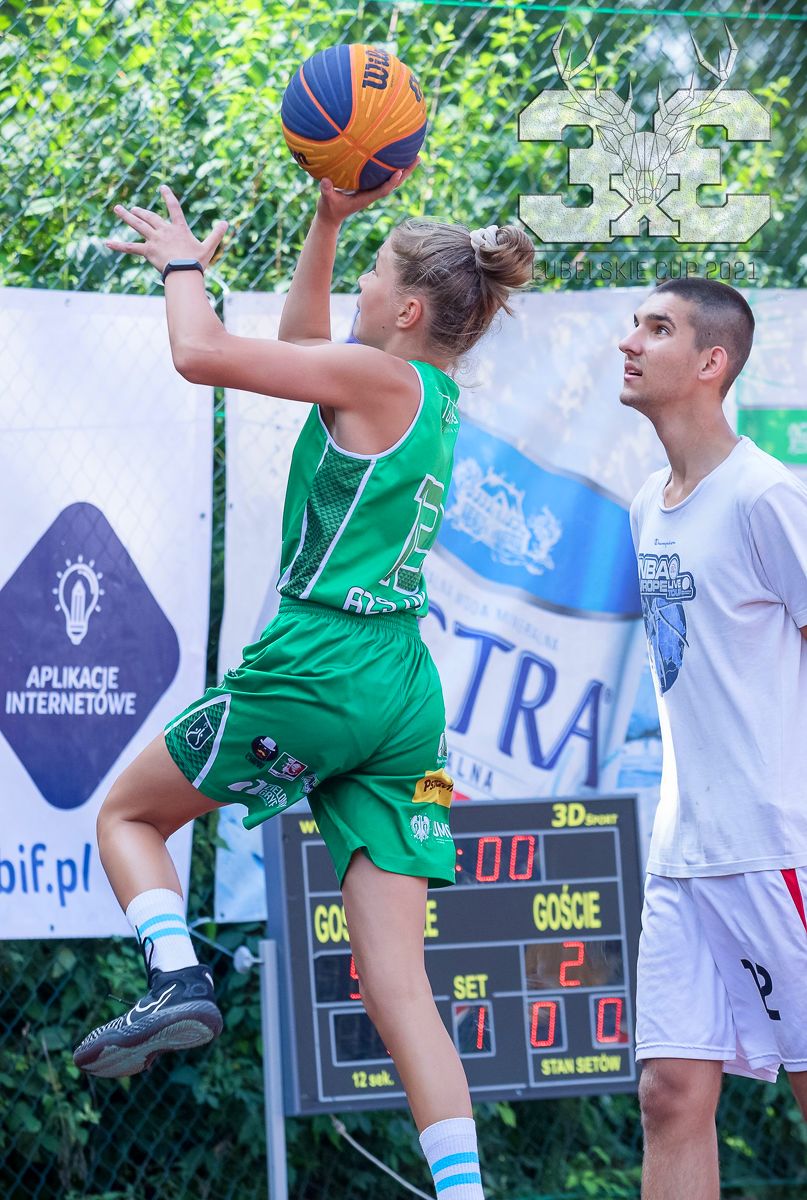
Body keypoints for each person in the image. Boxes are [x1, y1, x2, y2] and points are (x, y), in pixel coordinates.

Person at [73, 164, 534, 1200]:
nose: (359, 285)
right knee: (399, 984)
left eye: (373, 271)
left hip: (323, 666)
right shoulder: (428, 395)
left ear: (406, 310)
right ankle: (464, 1193)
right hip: (404, 695)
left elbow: (200, 354)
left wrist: (182, 266)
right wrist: (328, 222)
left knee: (128, 817)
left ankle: (175, 975)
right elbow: (299, 342)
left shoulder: (376, 381)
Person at [619, 276, 807, 1200]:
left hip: (776, 847)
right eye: (634, 325)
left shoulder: (765, 495)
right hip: (681, 855)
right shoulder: (643, 505)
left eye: (657, 329)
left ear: (710, 362)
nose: (630, 342)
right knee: (668, 1094)